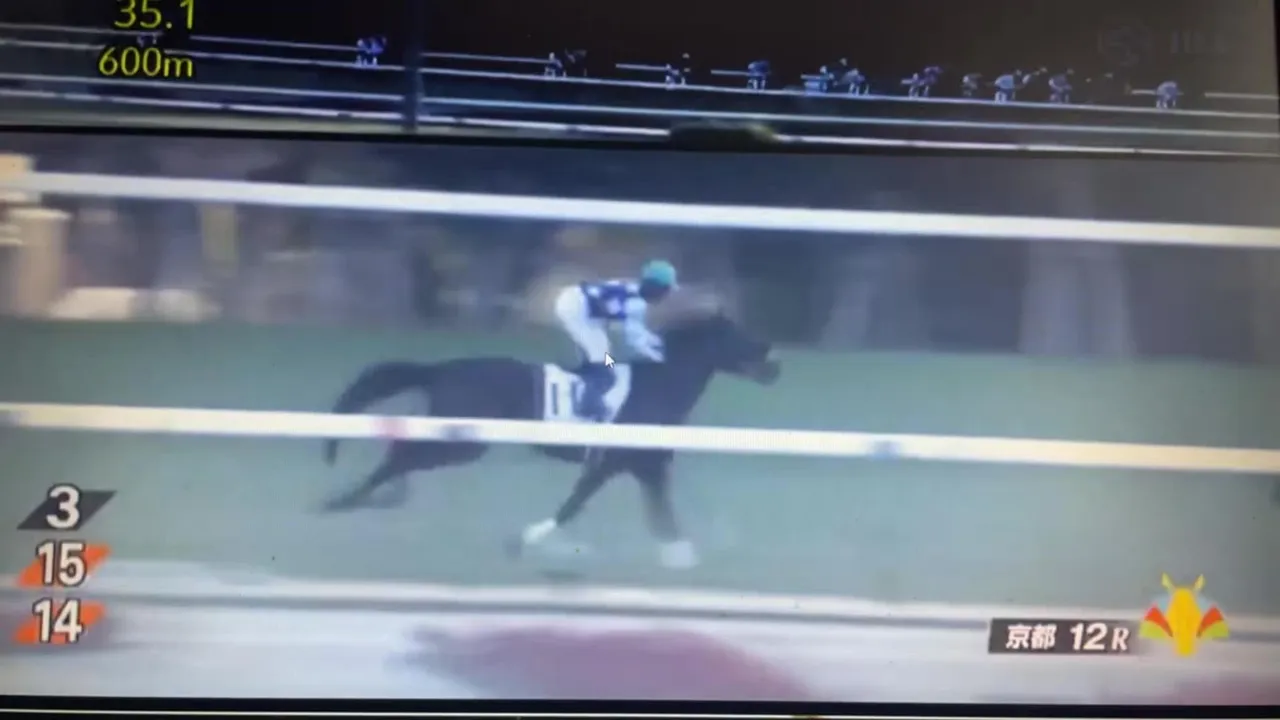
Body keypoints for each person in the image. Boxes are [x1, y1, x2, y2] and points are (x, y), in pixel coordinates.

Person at [552, 260, 677, 421]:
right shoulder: (634, 302)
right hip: (576, 310)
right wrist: (658, 355)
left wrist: (656, 345)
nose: (666, 297)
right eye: (666, 291)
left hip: (580, 308)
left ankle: (587, 374)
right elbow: (632, 337)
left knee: (605, 356)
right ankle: (588, 406)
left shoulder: (634, 294)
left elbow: (636, 333)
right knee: (606, 370)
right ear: (656, 288)